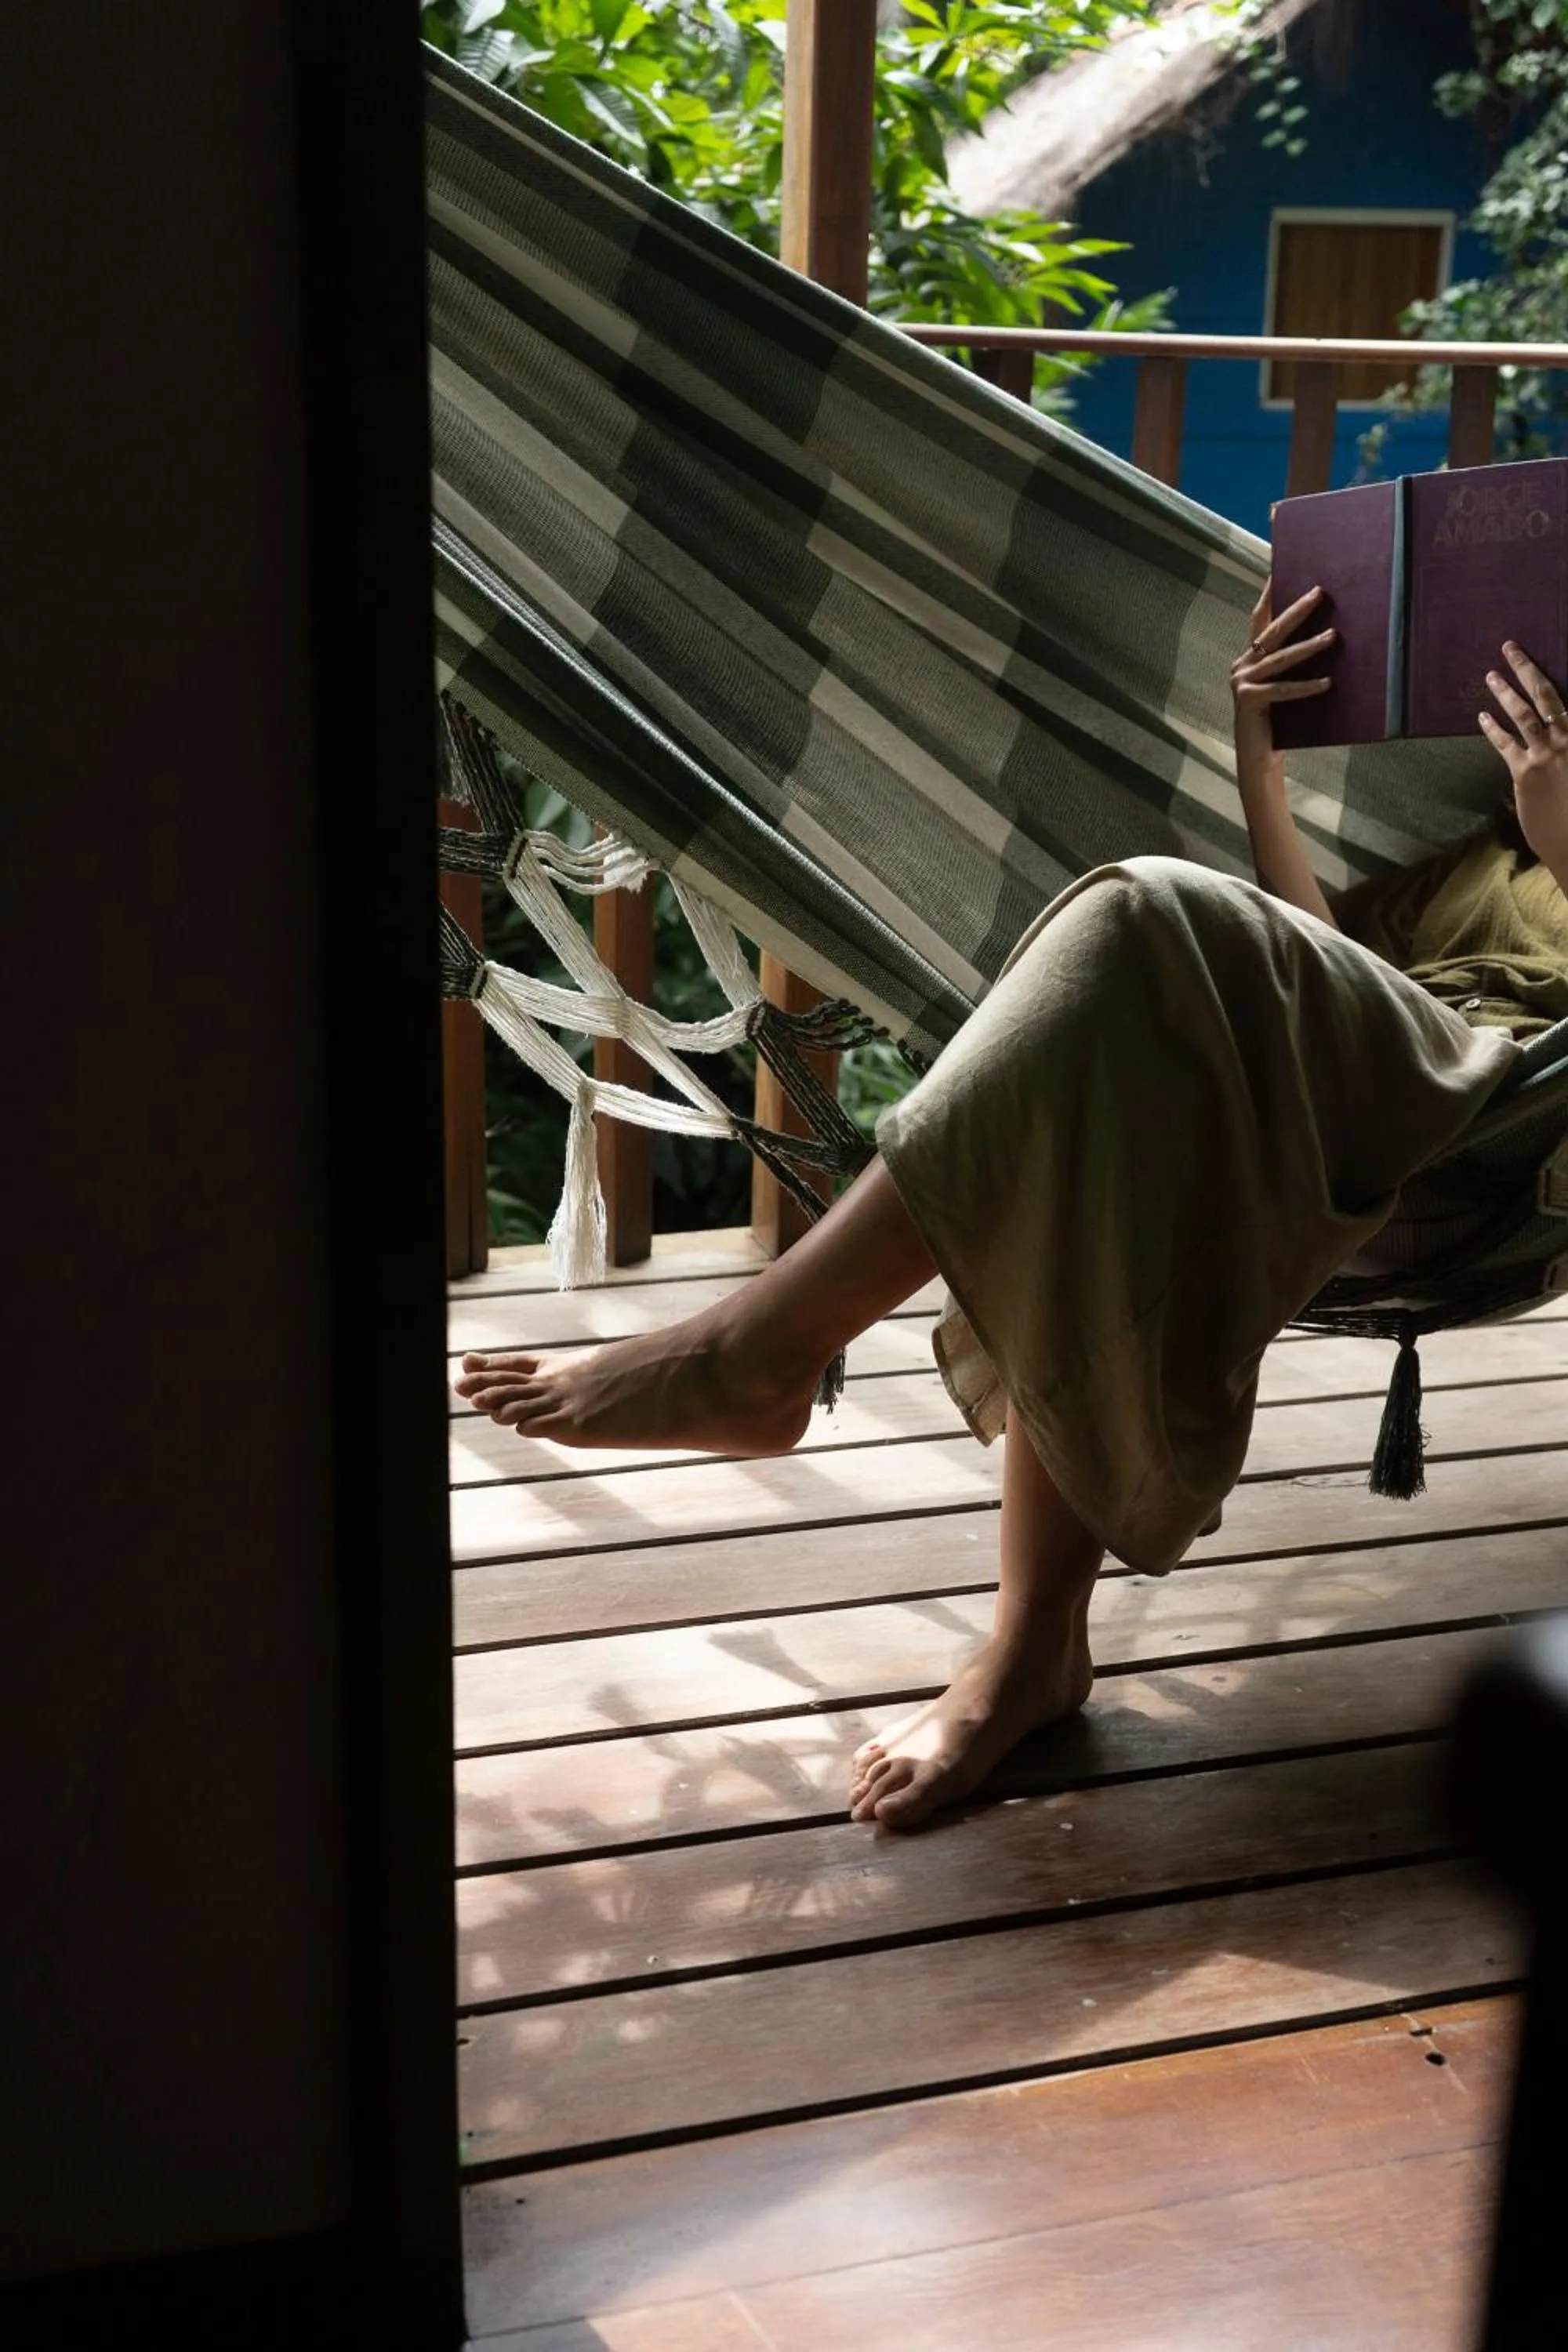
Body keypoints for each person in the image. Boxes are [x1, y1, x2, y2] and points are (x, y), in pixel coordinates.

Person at [456, 590, 1568, 1831]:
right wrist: (1263, 759)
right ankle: (1037, 1649)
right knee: (1103, 1083)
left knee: (1143, 910)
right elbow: (1321, 964)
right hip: (1347, 1084)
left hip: (1496, 1117)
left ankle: (758, 1351)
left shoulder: (1546, 835)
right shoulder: (1478, 858)